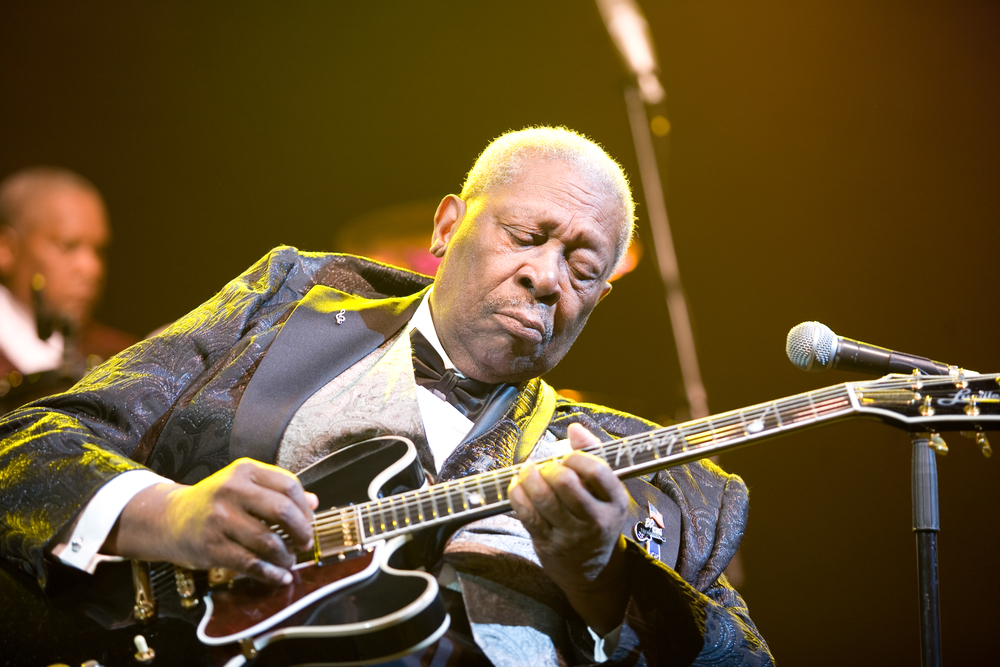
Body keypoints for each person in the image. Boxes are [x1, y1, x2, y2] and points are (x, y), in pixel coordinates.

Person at [0, 128, 772, 666]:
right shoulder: (289, 304)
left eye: (581, 265)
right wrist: (172, 516)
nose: (546, 276)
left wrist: (604, 581)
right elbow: (27, 447)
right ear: (447, 226)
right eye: (528, 234)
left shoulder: (654, 479)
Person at [0, 167, 137, 411]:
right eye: (67, 246)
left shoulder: (124, 358)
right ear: (6, 248)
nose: (91, 268)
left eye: (98, 250)